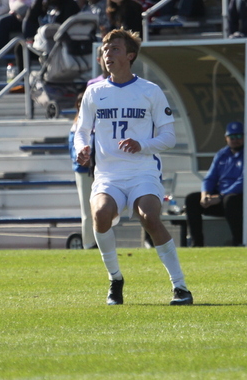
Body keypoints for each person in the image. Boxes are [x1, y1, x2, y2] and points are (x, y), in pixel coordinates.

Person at [74, 28, 193, 306]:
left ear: (130, 55)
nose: (107, 54)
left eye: (114, 49)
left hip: (143, 172)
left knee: (149, 217)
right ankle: (115, 279)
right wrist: (82, 149)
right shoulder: (94, 92)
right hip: (108, 175)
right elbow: (81, 131)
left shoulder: (150, 91)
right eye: (105, 49)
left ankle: (180, 286)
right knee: (101, 215)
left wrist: (142, 144)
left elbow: (169, 137)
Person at [184, 121, 247, 247]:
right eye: (232, 137)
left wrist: (220, 197)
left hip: (238, 199)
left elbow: (244, 181)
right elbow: (210, 178)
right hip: (218, 199)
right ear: (226, 138)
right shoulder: (222, 154)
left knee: (231, 200)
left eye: (239, 137)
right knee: (192, 199)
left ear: (245, 137)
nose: (235, 140)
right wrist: (205, 195)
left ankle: (239, 242)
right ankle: (197, 244)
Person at [69, 92, 96, 249]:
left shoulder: (95, 121)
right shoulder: (76, 125)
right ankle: (88, 242)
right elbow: (73, 150)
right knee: (87, 209)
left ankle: (99, 240)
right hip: (83, 170)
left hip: (97, 169)